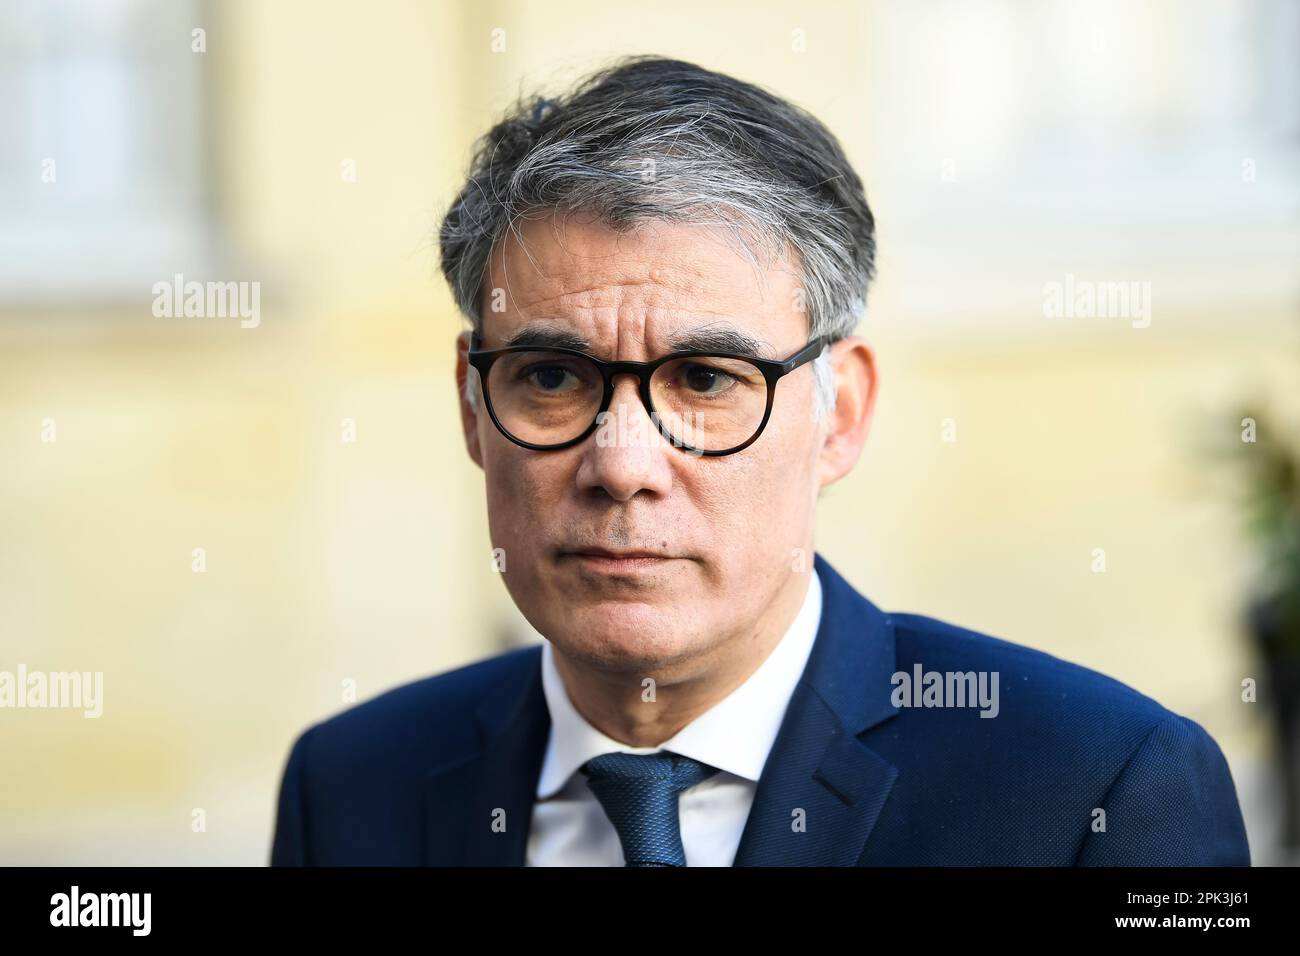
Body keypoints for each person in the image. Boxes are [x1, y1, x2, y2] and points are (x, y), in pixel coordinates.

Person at [271, 55, 1250, 866]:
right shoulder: (351, 787)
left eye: (703, 379)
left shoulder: (1102, 788)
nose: (621, 464)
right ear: (472, 407)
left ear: (841, 413)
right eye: (552, 378)